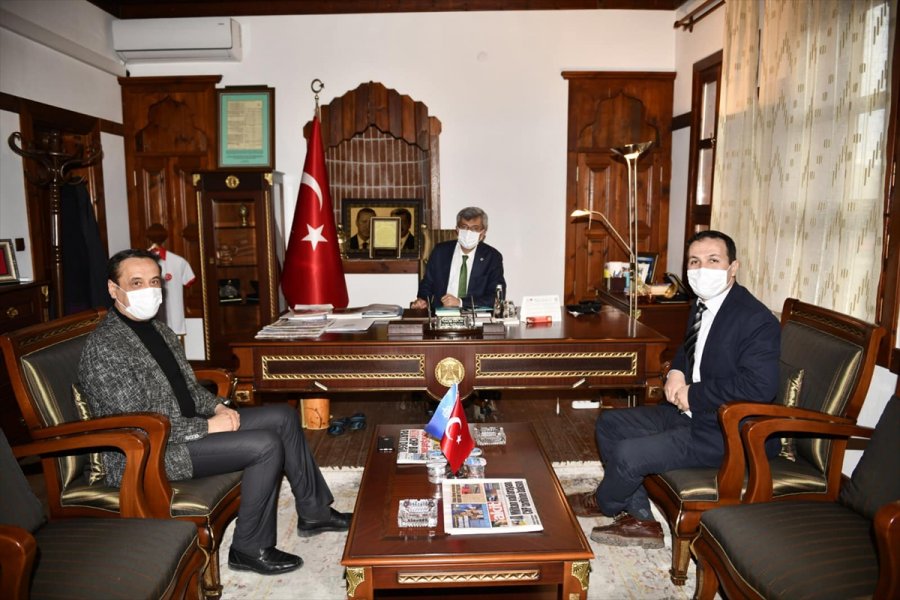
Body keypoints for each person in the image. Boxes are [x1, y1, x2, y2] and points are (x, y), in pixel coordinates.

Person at [78, 249, 351, 576]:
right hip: (152, 452)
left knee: (283, 416)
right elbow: (139, 424)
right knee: (265, 445)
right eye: (136, 283)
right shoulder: (106, 347)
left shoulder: (160, 331)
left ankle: (315, 512)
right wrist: (208, 427)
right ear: (114, 289)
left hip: (186, 427)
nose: (148, 290)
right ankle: (248, 548)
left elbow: (190, 390)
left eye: (154, 282)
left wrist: (219, 407)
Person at [577, 230, 780, 548]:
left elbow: (760, 387)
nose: (702, 269)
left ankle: (605, 501)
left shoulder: (755, 320)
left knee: (629, 454)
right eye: (694, 262)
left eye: (713, 260)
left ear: (733, 267)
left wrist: (693, 395)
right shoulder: (702, 304)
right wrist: (675, 371)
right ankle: (642, 519)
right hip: (689, 413)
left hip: (727, 431)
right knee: (610, 423)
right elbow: (689, 349)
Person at [411, 206, 505, 311]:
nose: (468, 232)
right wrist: (423, 299)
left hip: (476, 315)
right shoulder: (440, 252)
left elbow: (496, 297)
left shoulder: (492, 257)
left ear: (482, 233)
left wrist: (460, 302)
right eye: (464, 227)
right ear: (457, 229)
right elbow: (427, 283)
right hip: (441, 313)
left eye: (474, 228)